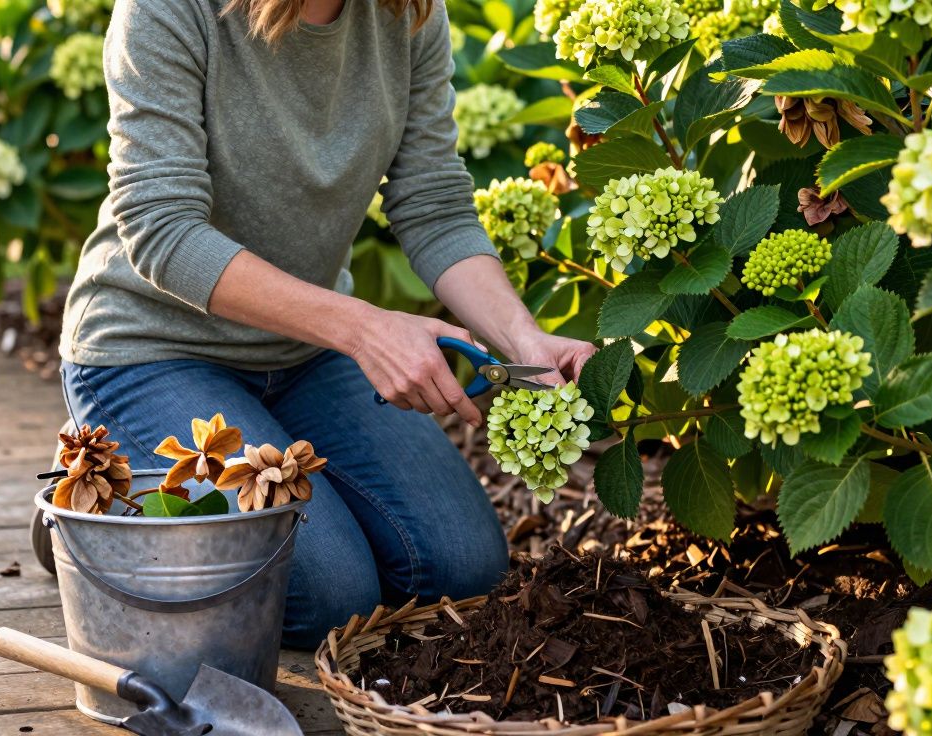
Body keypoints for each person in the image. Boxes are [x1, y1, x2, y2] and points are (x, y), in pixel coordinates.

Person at [58, 0, 597, 648]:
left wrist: (524, 340)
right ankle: (107, 505)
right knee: (328, 598)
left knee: (462, 568)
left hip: (305, 351)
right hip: (151, 353)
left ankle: (218, 496)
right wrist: (366, 330)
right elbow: (163, 230)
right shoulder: (169, 10)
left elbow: (433, 203)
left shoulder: (408, 13)